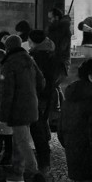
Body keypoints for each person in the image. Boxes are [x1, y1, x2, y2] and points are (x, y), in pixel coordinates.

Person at [0, 33, 43, 182]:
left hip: (18, 109)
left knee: (22, 142)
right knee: (19, 140)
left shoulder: (9, 63)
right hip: (31, 106)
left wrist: (3, 114)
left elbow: (7, 92)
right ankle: (18, 173)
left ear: (8, 48)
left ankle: (33, 177)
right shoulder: (30, 60)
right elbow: (41, 82)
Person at [29, 30, 62, 170]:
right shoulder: (50, 52)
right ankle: (44, 157)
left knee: (38, 126)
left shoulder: (38, 56)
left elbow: (38, 79)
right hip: (48, 93)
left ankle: (44, 161)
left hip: (40, 95)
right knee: (41, 124)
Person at [47, 5, 74, 74]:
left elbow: (61, 47)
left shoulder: (62, 30)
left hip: (61, 62)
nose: (49, 21)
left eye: (50, 18)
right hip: (58, 61)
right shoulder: (56, 29)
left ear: (56, 17)